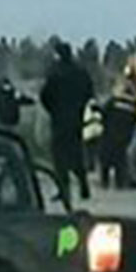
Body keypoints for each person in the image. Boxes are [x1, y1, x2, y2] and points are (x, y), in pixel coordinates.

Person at [39, 40, 94, 201]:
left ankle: (64, 190)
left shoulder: (54, 73)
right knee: (76, 154)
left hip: (59, 120)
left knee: (59, 157)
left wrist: (53, 110)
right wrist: (81, 109)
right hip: (77, 120)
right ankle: (84, 186)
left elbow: (45, 96)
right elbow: (89, 92)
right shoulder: (81, 72)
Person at [97, 74, 136, 190]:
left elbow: (104, 114)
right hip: (124, 135)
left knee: (106, 159)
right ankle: (120, 183)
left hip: (109, 133)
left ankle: (105, 182)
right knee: (120, 160)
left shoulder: (113, 101)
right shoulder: (134, 103)